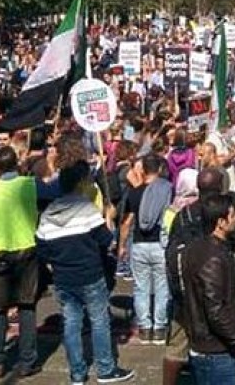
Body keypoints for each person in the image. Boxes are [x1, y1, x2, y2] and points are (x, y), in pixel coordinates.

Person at [36, 160, 134, 385]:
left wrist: (54, 263)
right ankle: (106, 369)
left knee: (71, 323)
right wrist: (108, 217)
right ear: (80, 184)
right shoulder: (86, 208)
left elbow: (42, 247)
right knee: (99, 320)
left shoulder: (49, 213)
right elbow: (106, 241)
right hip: (90, 275)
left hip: (63, 277)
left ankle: (77, 373)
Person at [0, 145, 60, 379]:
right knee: (26, 304)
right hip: (26, 249)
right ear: (16, 163)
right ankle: (28, 360)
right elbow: (55, 191)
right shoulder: (30, 185)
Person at [181, 196, 235, 385]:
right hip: (214, 352)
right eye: (232, 215)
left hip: (208, 347)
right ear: (220, 223)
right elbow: (215, 310)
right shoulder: (213, 258)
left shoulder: (197, 248)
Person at [118, 154, 173, 345]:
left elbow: (127, 222)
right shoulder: (166, 191)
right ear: (158, 169)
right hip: (160, 244)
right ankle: (159, 328)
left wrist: (122, 245)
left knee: (141, 287)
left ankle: (144, 328)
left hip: (139, 244)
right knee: (161, 287)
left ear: (143, 170)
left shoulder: (134, 193)